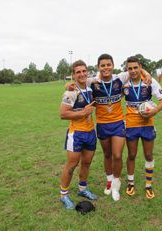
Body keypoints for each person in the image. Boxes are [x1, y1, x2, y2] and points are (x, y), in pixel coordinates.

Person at [66, 54, 152, 201]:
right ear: (98, 67)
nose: (106, 68)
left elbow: (136, 71)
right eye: (102, 65)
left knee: (117, 155)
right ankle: (109, 181)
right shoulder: (92, 81)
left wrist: (146, 73)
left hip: (118, 123)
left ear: (112, 65)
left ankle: (116, 185)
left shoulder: (121, 77)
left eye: (108, 65)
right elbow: (76, 81)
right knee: (107, 155)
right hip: (102, 125)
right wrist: (67, 85)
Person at [123, 56, 162, 199]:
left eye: (136, 67)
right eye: (130, 68)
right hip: (131, 124)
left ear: (140, 66)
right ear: (127, 69)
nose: (133, 71)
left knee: (148, 155)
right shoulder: (124, 83)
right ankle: (130, 183)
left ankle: (148, 185)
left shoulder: (149, 81)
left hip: (147, 124)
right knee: (131, 155)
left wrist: (155, 111)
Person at [59, 60, 98, 209]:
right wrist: (83, 112)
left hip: (90, 132)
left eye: (84, 71)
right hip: (76, 134)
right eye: (78, 72)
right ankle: (64, 195)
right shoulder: (70, 91)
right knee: (71, 165)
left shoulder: (90, 87)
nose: (81, 74)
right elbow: (63, 114)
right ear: (73, 75)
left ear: (87, 72)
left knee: (86, 163)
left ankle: (82, 189)